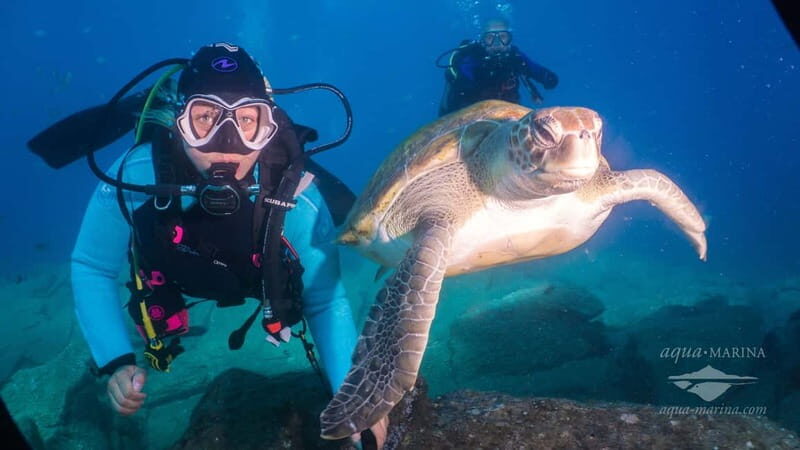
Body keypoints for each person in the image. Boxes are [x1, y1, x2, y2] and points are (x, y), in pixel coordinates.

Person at [62, 42, 387, 447]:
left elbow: (323, 299)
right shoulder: (137, 173)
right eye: (206, 118)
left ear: (268, 129)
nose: (227, 141)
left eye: (247, 121)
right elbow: (92, 264)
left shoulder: (297, 194)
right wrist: (116, 360)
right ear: (180, 121)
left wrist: (353, 396)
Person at [438, 18, 559, 116]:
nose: (497, 43)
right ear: (483, 41)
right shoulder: (471, 59)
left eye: (503, 37)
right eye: (490, 38)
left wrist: (547, 77)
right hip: (469, 117)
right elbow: (462, 90)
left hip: (506, 116)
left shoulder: (515, 57)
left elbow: (541, 74)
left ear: (510, 39)